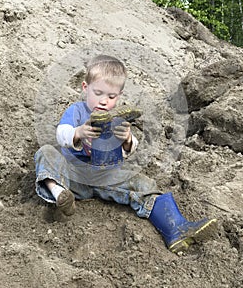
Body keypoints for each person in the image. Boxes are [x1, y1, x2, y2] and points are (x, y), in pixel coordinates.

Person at [34, 55, 217, 253]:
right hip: (73, 176)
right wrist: (78, 132)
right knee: (46, 152)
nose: (104, 101)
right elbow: (61, 134)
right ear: (85, 88)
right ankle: (60, 194)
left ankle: (176, 229)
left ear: (119, 96)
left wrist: (127, 139)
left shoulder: (117, 118)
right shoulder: (77, 110)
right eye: (98, 93)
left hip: (106, 175)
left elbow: (129, 149)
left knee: (143, 184)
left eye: (111, 97)